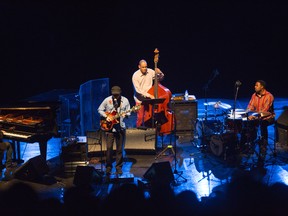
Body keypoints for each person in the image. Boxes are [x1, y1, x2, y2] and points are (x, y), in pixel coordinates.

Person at [98, 86, 131, 175]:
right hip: (110, 128)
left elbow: (129, 112)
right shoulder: (107, 100)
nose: (116, 97)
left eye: (117, 95)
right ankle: (108, 167)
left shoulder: (125, 101)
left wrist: (126, 115)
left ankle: (118, 167)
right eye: (114, 95)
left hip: (120, 128)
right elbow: (100, 109)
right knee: (109, 149)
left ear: (120, 93)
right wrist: (107, 116)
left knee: (119, 149)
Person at [245, 80, 275, 166]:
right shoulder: (254, 95)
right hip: (257, 116)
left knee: (262, 124)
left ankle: (263, 147)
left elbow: (264, 111)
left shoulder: (269, 96)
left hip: (268, 117)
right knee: (248, 123)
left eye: (256, 85)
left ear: (262, 87)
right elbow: (250, 106)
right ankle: (250, 144)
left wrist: (254, 116)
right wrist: (245, 113)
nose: (255, 87)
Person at [132, 59, 164, 128]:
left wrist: (160, 73)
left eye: (146, 67)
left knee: (148, 116)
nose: (145, 68)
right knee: (140, 117)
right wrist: (149, 95)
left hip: (149, 98)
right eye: (143, 67)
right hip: (140, 98)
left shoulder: (150, 71)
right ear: (139, 67)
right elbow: (138, 91)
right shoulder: (135, 76)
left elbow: (159, 78)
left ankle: (148, 130)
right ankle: (138, 131)